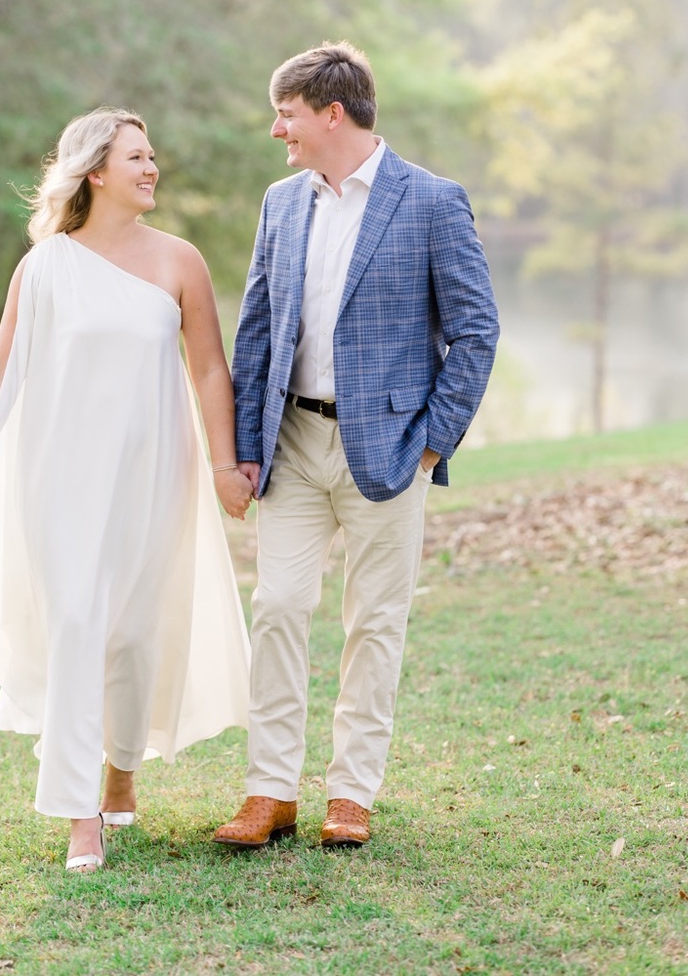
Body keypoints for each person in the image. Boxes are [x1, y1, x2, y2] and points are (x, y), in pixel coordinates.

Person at [0, 107, 254, 873]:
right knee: (78, 625)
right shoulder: (47, 266)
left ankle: (122, 768)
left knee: (134, 631)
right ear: (95, 171)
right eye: (136, 156)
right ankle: (77, 812)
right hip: (60, 475)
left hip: (156, 469)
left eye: (153, 155)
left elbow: (209, 370)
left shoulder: (179, 260)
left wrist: (226, 465)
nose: (152, 167)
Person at [213, 42, 499, 850]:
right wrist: (242, 448)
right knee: (276, 609)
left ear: (331, 113)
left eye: (288, 114)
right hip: (291, 443)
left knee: (376, 622)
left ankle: (352, 795)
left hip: (391, 451)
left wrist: (432, 446)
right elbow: (258, 328)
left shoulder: (433, 202)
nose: (278, 129)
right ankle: (269, 791)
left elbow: (477, 331)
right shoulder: (280, 202)